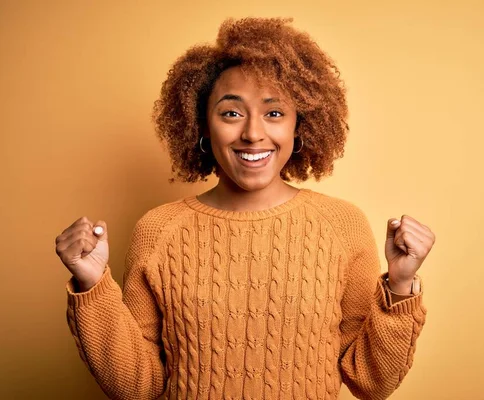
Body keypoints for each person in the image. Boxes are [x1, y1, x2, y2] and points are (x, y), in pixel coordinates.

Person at [55, 17, 435, 400]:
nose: (253, 133)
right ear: (202, 126)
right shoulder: (158, 229)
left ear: (298, 127)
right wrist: (92, 286)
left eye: (274, 113)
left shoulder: (342, 225)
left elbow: (372, 382)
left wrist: (400, 285)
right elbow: (138, 387)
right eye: (232, 113)